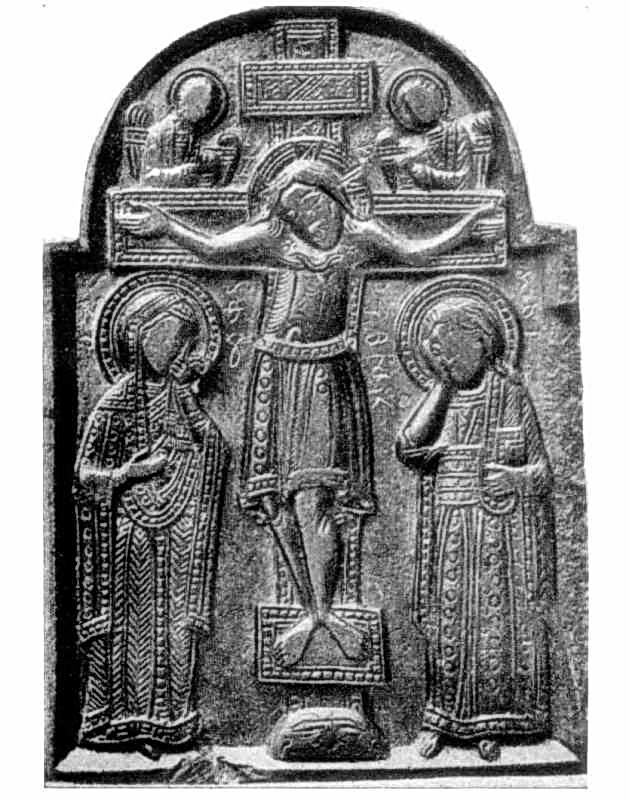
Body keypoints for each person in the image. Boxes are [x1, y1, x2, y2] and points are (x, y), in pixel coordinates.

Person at [118, 157, 496, 669]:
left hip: (325, 376)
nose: (307, 219)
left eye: (312, 205)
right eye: (294, 213)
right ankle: (313, 613)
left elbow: (416, 252)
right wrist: (166, 225)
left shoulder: (359, 239)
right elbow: (212, 248)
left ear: (332, 195)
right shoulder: (277, 243)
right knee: (275, 502)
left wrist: (468, 227)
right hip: (275, 376)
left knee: (314, 498)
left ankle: (326, 610)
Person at [396, 297, 555, 761]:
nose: (441, 358)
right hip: (450, 526)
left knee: (492, 626)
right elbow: (406, 446)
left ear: (481, 342)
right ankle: (442, 720)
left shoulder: (510, 395)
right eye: (435, 353)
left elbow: (543, 472)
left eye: (449, 349)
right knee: (448, 622)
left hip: (498, 531)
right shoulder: (443, 395)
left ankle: (492, 723)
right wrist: (442, 388)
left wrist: (514, 478)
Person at [74, 286, 229, 759]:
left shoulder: (182, 399)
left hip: (179, 531)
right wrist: (128, 473)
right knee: (131, 624)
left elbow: (216, 449)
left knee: (176, 625)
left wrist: (189, 399)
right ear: (140, 339)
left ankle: (170, 722)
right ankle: (119, 722)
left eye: (182, 343)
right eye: (167, 340)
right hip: (131, 531)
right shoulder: (116, 402)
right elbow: (85, 475)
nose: (174, 351)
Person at [140, 74, 225, 187]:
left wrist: (206, 159)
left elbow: (190, 160)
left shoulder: (191, 132)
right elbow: (148, 177)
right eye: (201, 107)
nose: (204, 113)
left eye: (206, 108)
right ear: (189, 103)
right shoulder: (159, 133)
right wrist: (182, 172)